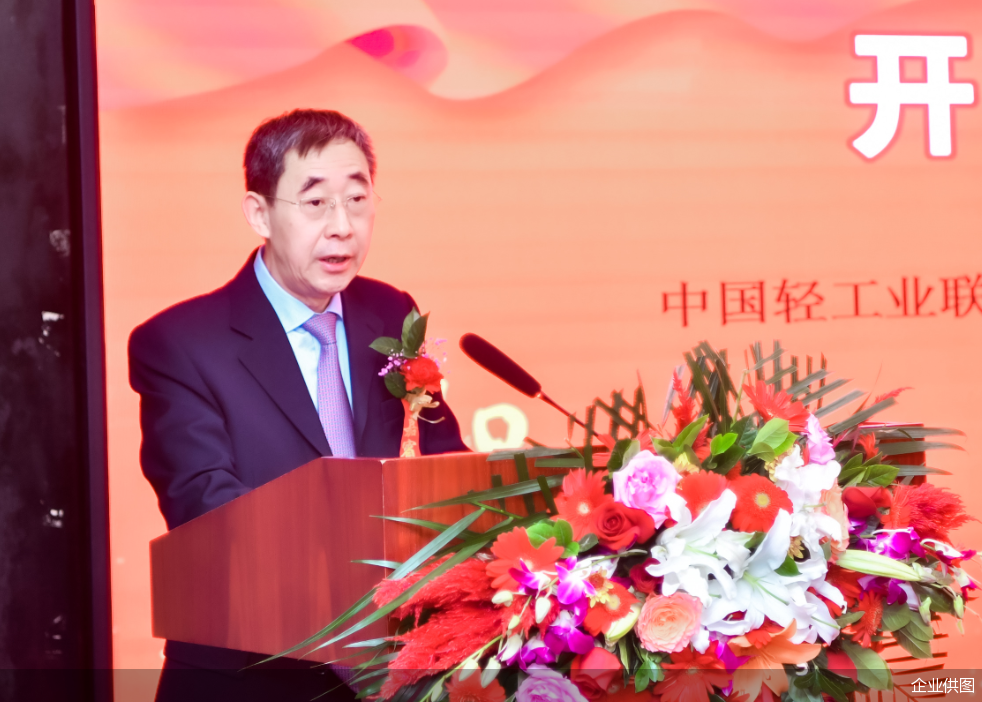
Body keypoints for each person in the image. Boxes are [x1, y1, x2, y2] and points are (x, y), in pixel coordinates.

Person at [129, 109, 468, 702]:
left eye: (357, 200)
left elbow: (444, 466)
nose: (342, 227)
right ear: (259, 213)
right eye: (315, 203)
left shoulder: (390, 313)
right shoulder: (180, 343)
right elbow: (206, 510)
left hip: (395, 671)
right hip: (253, 675)